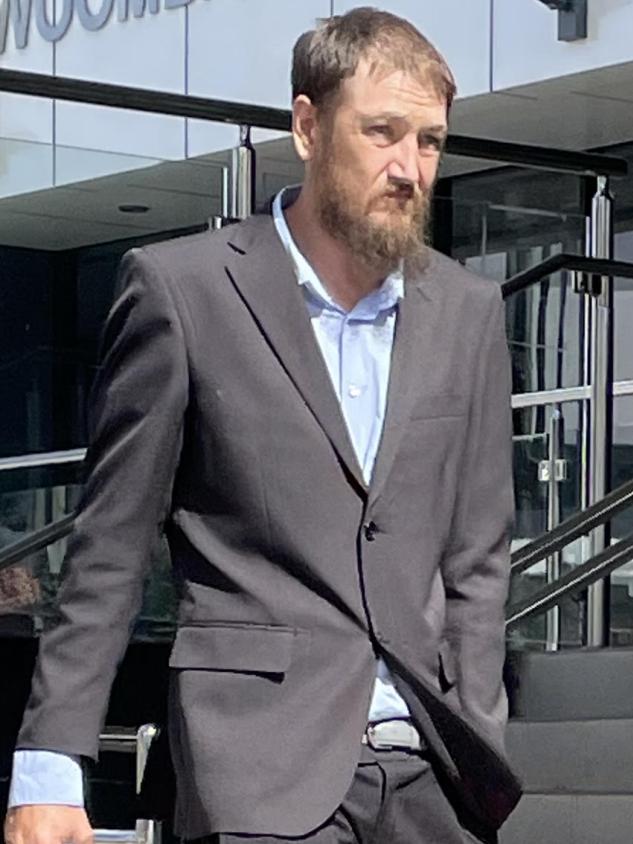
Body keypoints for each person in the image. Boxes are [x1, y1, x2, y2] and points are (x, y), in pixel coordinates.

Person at [4, 7, 522, 844]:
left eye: (429, 141)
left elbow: (477, 554)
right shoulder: (186, 292)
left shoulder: (465, 311)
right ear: (308, 126)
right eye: (383, 132)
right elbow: (111, 545)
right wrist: (50, 761)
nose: (409, 168)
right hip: (256, 769)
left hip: (434, 776)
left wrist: (476, 724)